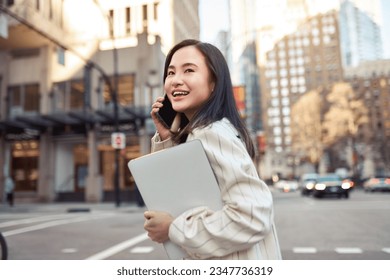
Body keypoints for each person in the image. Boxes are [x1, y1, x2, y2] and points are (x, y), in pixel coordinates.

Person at [144, 39, 282, 260]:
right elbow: (184, 194)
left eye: (188, 70)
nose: (175, 81)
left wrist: (173, 229)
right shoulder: (205, 132)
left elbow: (252, 216)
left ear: (214, 83)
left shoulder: (210, 132)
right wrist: (167, 138)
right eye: (170, 73)